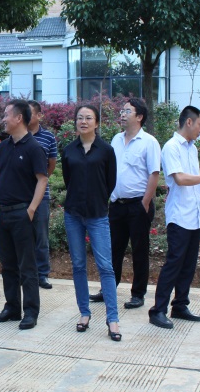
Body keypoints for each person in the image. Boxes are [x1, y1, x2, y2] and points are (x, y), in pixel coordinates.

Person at [149, 106, 200, 330]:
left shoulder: (192, 148)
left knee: (188, 264)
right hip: (179, 216)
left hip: (193, 216)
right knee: (174, 262)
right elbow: (179, 178)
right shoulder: (171, 147)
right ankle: (158, 310)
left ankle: (179, 305)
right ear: (189, 122)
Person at [90, 97, 161, 309]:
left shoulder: (149, 142)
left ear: (139, 117)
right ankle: (108, 289)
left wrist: (145, 202)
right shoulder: (116, 140)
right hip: (116, 205)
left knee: (139, 251)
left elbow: (154, 174)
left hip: (138, 204)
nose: (122, 114)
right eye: (122, 111)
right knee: (113, 250)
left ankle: (138, 294)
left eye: (127, 111)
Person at [0, 100, 48, 330]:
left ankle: (30, 312)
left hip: (23, 214)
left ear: (19, 118)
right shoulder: (3, 147)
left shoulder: (34, 148)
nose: (3, 119)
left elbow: (42, 179)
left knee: (27, 266)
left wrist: (31, 209)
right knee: (8, 264)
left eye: (6, 115)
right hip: (2, 213)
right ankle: (12, 308)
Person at [61, 105, 122, 341]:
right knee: (78, 265)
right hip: (73, 214)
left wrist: (97, 198)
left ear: (96, 123)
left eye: (88, 118)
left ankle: (112, 319)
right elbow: (68, 180)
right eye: (79, 118)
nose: (83, 121)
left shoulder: (106, 150)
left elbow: (110, 182)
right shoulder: (69, 150)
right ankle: (84, 313)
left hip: (98, 215)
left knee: (106, 266)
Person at [27, 100, 57, 290]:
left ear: (39, 116)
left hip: (41, 195)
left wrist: (40, 181)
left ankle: (42, 274)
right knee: (22, 236)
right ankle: (25, 272)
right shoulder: (17, 135)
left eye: (29, 112)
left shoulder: (48, 137)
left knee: (41, 236)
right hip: (20, 195)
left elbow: (51, 164)